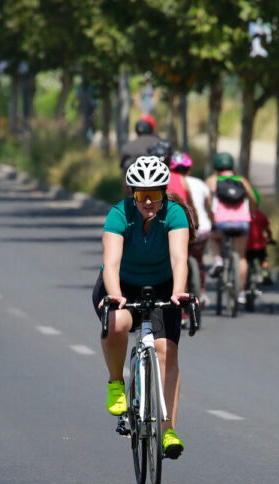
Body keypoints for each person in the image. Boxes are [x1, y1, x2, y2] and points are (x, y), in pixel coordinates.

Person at [93, 155, 195, 460]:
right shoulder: (118, 214)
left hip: (164, 286)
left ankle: (168, 431)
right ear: (132, 194)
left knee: (167, 352)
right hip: (121, 285)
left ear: (164, 192)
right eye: (141, 195)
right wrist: (115, 295)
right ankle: (116, 382)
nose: (148, 201)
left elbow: (180, 259)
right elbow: (110, 263)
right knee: (118, 323)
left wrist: (178, 293)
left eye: (154, 194)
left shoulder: (175, 214)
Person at [206, 152, 257, 305]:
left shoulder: (212, 180)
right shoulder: (241, 180)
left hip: (221, 222)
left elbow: (206, 200)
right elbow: (253, 198)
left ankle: (217, 259)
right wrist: (252, 213)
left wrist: (210, 217)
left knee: (213, 236)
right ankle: (241, 293)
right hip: (242, 222)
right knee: (241, 257)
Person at [172, 152, 213, 305]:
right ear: (189, 169)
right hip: (201, 230)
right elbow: (207, 207)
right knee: (198, 259)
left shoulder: (172, 182)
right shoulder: (200, 183)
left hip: (180, 230)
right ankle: (202, 291)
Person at [119, 116, 165, 194]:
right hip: (158, 189)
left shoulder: (127, 147)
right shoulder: (161, 143)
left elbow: (123, 170)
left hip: (133, 190)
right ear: (152, 129)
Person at [246, 189, 274, 285]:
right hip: (260, 245)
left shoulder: (244, 216)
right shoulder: (261, 215)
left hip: (247, 246)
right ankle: (265, 274)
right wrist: (270, 238)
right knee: (264, 259)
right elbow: (267, 230)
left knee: (247, 260)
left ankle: (250, 272)